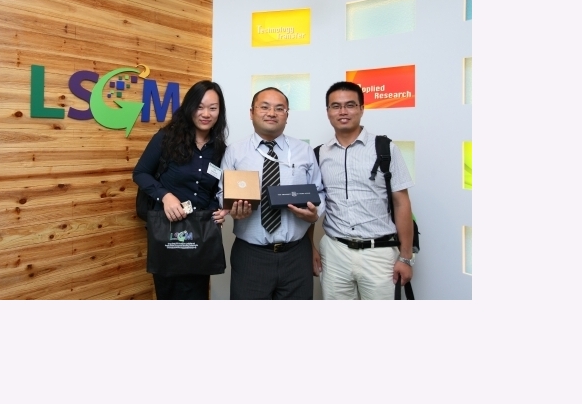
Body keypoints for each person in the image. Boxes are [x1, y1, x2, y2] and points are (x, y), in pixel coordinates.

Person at [217, 87, 325, 300]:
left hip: (296, 254)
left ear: (287, 115)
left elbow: (319, 191)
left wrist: (315, 213)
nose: (272, 113)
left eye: (279, 108)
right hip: (250, 255)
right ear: (251, 113)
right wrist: (231, 208)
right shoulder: (235, 151)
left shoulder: (304, 151)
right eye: (264, 107)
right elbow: (222, 192)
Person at [316, 81, 415, 300]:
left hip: (379, 254)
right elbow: (311, 206)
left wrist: (406, 257)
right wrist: (311, 249)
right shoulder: (318, 154)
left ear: (362, 108)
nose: (343, 111)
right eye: (335, 106)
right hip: (334, 253)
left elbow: (402, 203)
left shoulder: (385, 148)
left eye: (350, 105)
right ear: (328, 112)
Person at [133, 80, 228, 300]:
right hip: (168, 232)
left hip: (201, 234)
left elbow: (216, 189)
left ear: (219, 112)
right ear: (189, 107)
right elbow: (140, 173)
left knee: (198, 294)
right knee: (169, 293)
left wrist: (218, 210)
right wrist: (165, 196)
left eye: (213, 108)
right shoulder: (166, 138)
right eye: (200, 107)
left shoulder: (219, 148)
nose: (206, 114)